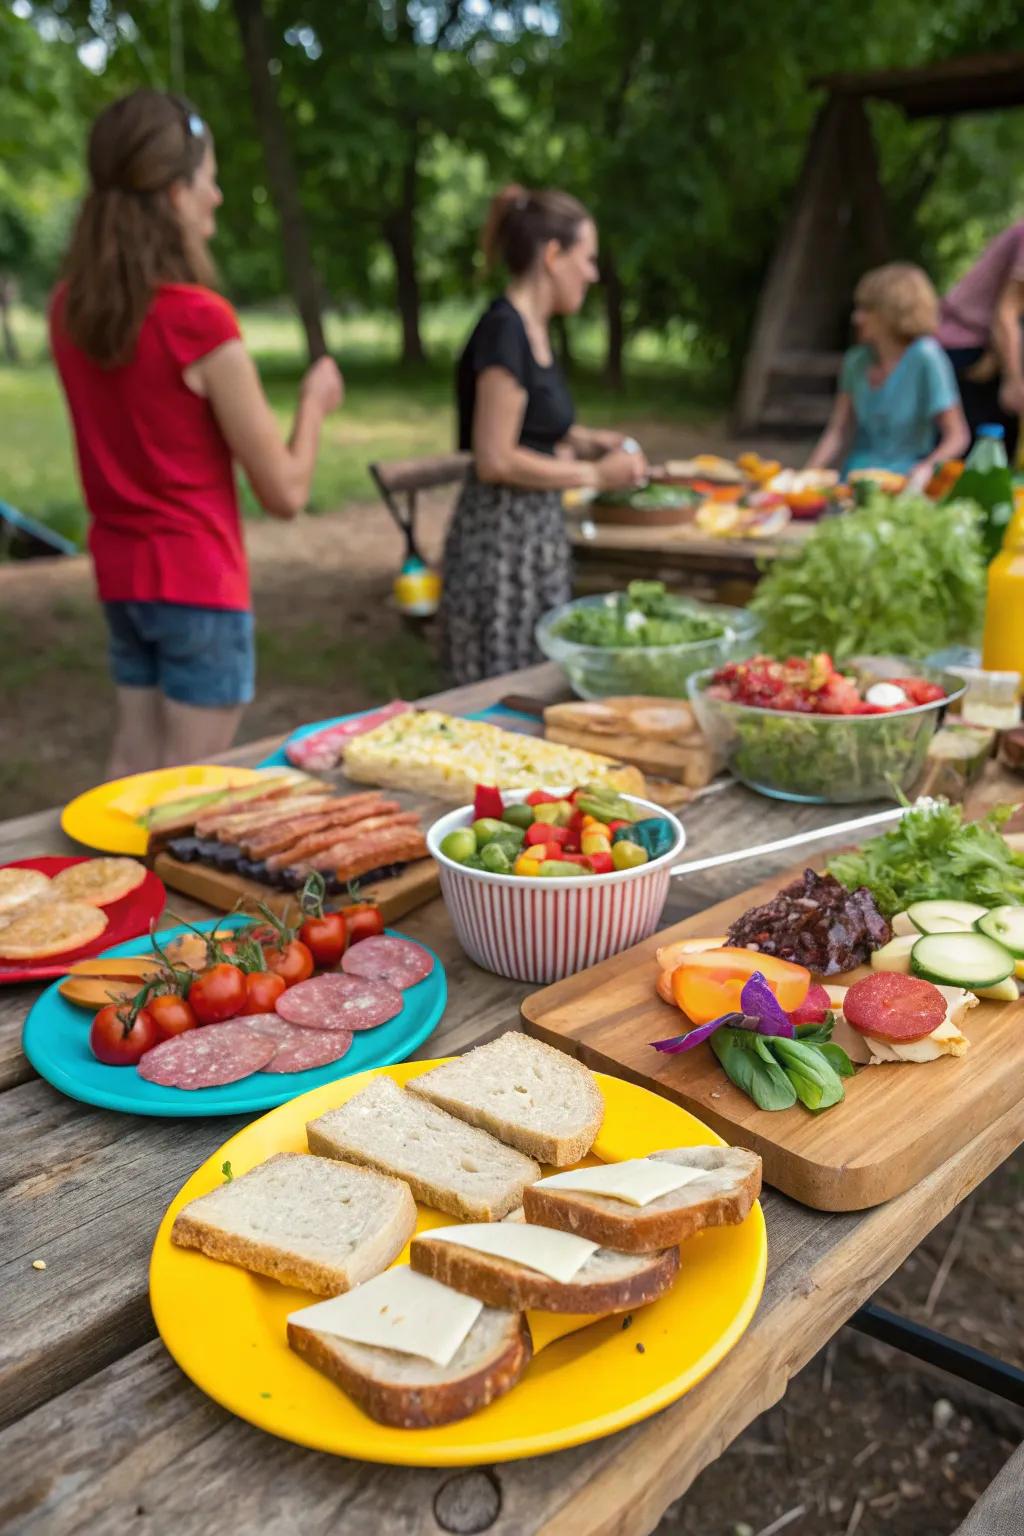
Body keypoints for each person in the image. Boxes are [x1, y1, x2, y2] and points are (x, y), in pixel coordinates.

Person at [50, 89, 343, 777]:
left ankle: (110, 887)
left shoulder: (67, 313)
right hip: (198, 586)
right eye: (208, 178)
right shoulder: (199, 322)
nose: (217, 195)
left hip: (121, 580)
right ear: (175, 194)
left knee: (134, 769)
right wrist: (314, 403)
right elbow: (285, 492)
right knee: (190, 794)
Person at [441, 184, 648, 684]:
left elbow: (531, 425)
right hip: (501, 546)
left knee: (535, 683)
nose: (593, 274)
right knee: (502, 690)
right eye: (588, 259)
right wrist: (596, 473)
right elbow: (496, 458)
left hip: (532, 538)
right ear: (553, 256)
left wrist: (585, 438)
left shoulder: (531, 330)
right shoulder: (503, 330)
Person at [807, 262, 968, 486]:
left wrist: (927, 468)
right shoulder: (856, 360)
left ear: (891, 313)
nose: (857, 318)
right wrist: (807, 475)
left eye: (866, 310)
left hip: (906, 481)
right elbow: (838, 431)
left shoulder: (926, 357)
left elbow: (957, 436)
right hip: (856, 479)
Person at [937, 221, 1024, 457]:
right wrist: (1013, 381)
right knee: (981, 459)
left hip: (990, 349)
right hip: (965, 347)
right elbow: (1006, 313)